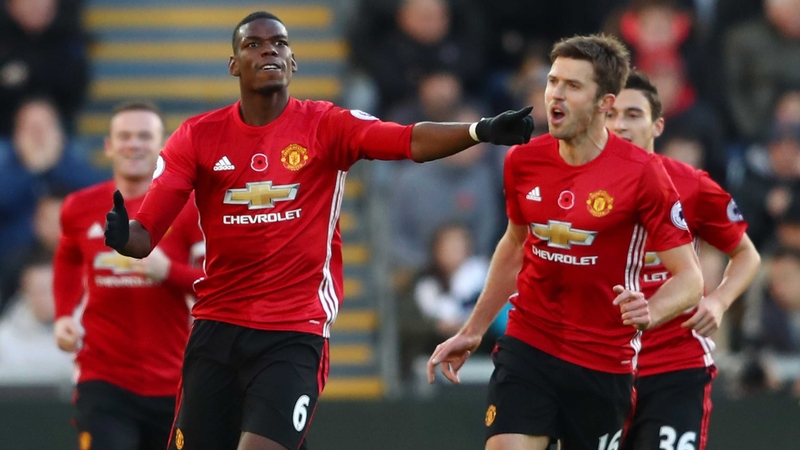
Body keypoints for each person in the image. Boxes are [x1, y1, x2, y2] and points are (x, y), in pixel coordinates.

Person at [102, 11, 534, 450]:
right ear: (234, 64)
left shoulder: (325, 125)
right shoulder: (197, 136)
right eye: (254, 44)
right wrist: (124, 237)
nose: (269, 49)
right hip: (216, 329)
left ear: (293, 62)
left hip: (294, 330)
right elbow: (145, 236)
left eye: (280, 43)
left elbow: (407, 139)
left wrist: (480, 131)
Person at [427, 34, 704, 450]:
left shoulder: (643, 174)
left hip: (602, 361)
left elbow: (690, 279)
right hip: (529, 344)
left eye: (572, 86)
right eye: (553, 81)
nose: (555, 93)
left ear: (604, 103)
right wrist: (474, 329)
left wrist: (652, 311)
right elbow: (515, 245)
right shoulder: (523, 160)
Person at [607, 70, 762, 450]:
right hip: (599, 364)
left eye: (633, 114)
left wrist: (719, 300)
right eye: (611, 114)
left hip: (674, 366)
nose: (620, 125)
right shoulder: (577, 184)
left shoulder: (690, 184)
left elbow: (746, 254)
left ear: (657, 124)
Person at [54, 101, 204, 450]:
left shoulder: (189, 208)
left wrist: (168, 271)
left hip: (176, 383)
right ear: (108, 145)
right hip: (103, 378)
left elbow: (215, 283)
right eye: (124, 136)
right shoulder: (79, 207)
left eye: (143, 136)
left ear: (163, 146)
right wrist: (63, 315)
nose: (133, 144)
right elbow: (68, 258)